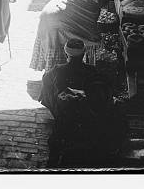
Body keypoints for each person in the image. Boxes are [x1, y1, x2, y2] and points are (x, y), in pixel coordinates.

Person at [40, 39, 127, 168]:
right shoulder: (91, 70)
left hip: (66, 114)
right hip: (87, 113)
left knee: (49, 90)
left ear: (66, 54)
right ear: (84, 54)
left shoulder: (58, 70)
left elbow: (46, 82)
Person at [30, 0, 109, 72]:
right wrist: (97, 39)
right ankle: (53, 77)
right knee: (54, 44)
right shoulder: (92, 3)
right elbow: (89, 25)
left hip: (49, 13)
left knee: (55, 43)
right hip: (54, 18)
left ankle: (55, 75)